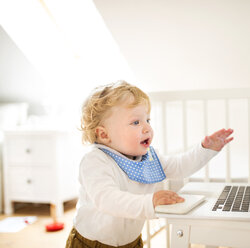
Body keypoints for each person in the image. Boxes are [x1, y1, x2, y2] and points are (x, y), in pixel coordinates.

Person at [66, 80, 233, 248]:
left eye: (147, 120)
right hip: (91, 243)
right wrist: (150, 202)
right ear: (104, 134)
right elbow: (108, 199)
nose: (147, 128)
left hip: (131, 242)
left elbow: (180, 167)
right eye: (136, 122)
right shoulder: (96, 161)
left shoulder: (149, 158)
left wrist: (205, 149)